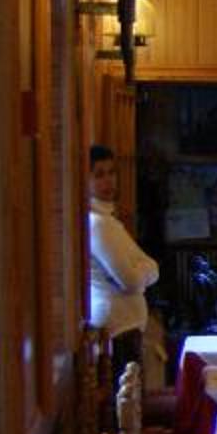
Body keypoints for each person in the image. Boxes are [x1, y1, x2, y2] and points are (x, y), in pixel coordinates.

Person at [86, 144, 160, 367]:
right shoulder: (99, 224)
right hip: (117, 331)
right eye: (99, 175)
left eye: (111, 172)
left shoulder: (108, 221)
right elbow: (131, 281)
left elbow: (152, 266)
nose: (108, 181)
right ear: (86, 180)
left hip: (125, 330)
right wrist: (144, 272)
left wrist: (144, 270)